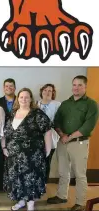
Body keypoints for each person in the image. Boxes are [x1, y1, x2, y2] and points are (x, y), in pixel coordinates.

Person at [47, 75, 99, 211]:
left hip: (79, 143)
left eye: (80, 85)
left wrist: (68, 137)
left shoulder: (91, 104)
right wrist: (62, 135)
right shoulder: (65, 104)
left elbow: (87, 126)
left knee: (80, 174)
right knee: (63, 172)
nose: (76, 88)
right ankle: (61, 195)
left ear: (85, 87)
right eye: (74, 85)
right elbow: (56, 121)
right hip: (62, 142)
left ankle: (80, 203)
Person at [3, 88, 52, 211]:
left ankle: (30, 204)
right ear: (17, 99)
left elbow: (47, 130)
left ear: (31, 99)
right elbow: (5, 133)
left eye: (26, 97)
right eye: (21, 97)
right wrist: (4, 147)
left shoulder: (37, 114)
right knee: (17, 179)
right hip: (14, 155)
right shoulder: (13, 113)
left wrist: (48, 148)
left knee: (30, 179)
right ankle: (21, 201)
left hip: (32, 154)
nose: (23, 99)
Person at [0, 78, 16, 192]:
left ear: (15, 88)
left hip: (16, 136)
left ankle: (12, 186)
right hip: (0, 136)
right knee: (0, 161)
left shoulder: (21, 100)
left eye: (11, 86)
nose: (9, 88)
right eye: (6, 86)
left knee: (14, 161)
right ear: (3, 88)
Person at [37, 83, 61, 182]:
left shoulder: (57, 104)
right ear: (41, 91)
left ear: (53, 93)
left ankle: (44, 183)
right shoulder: (36, 104)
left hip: (51, 137)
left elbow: (58, 121)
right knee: (37, 161)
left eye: (49, 91)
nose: (47, 92)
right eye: (45, 90)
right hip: (37, 137)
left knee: (47, 161)